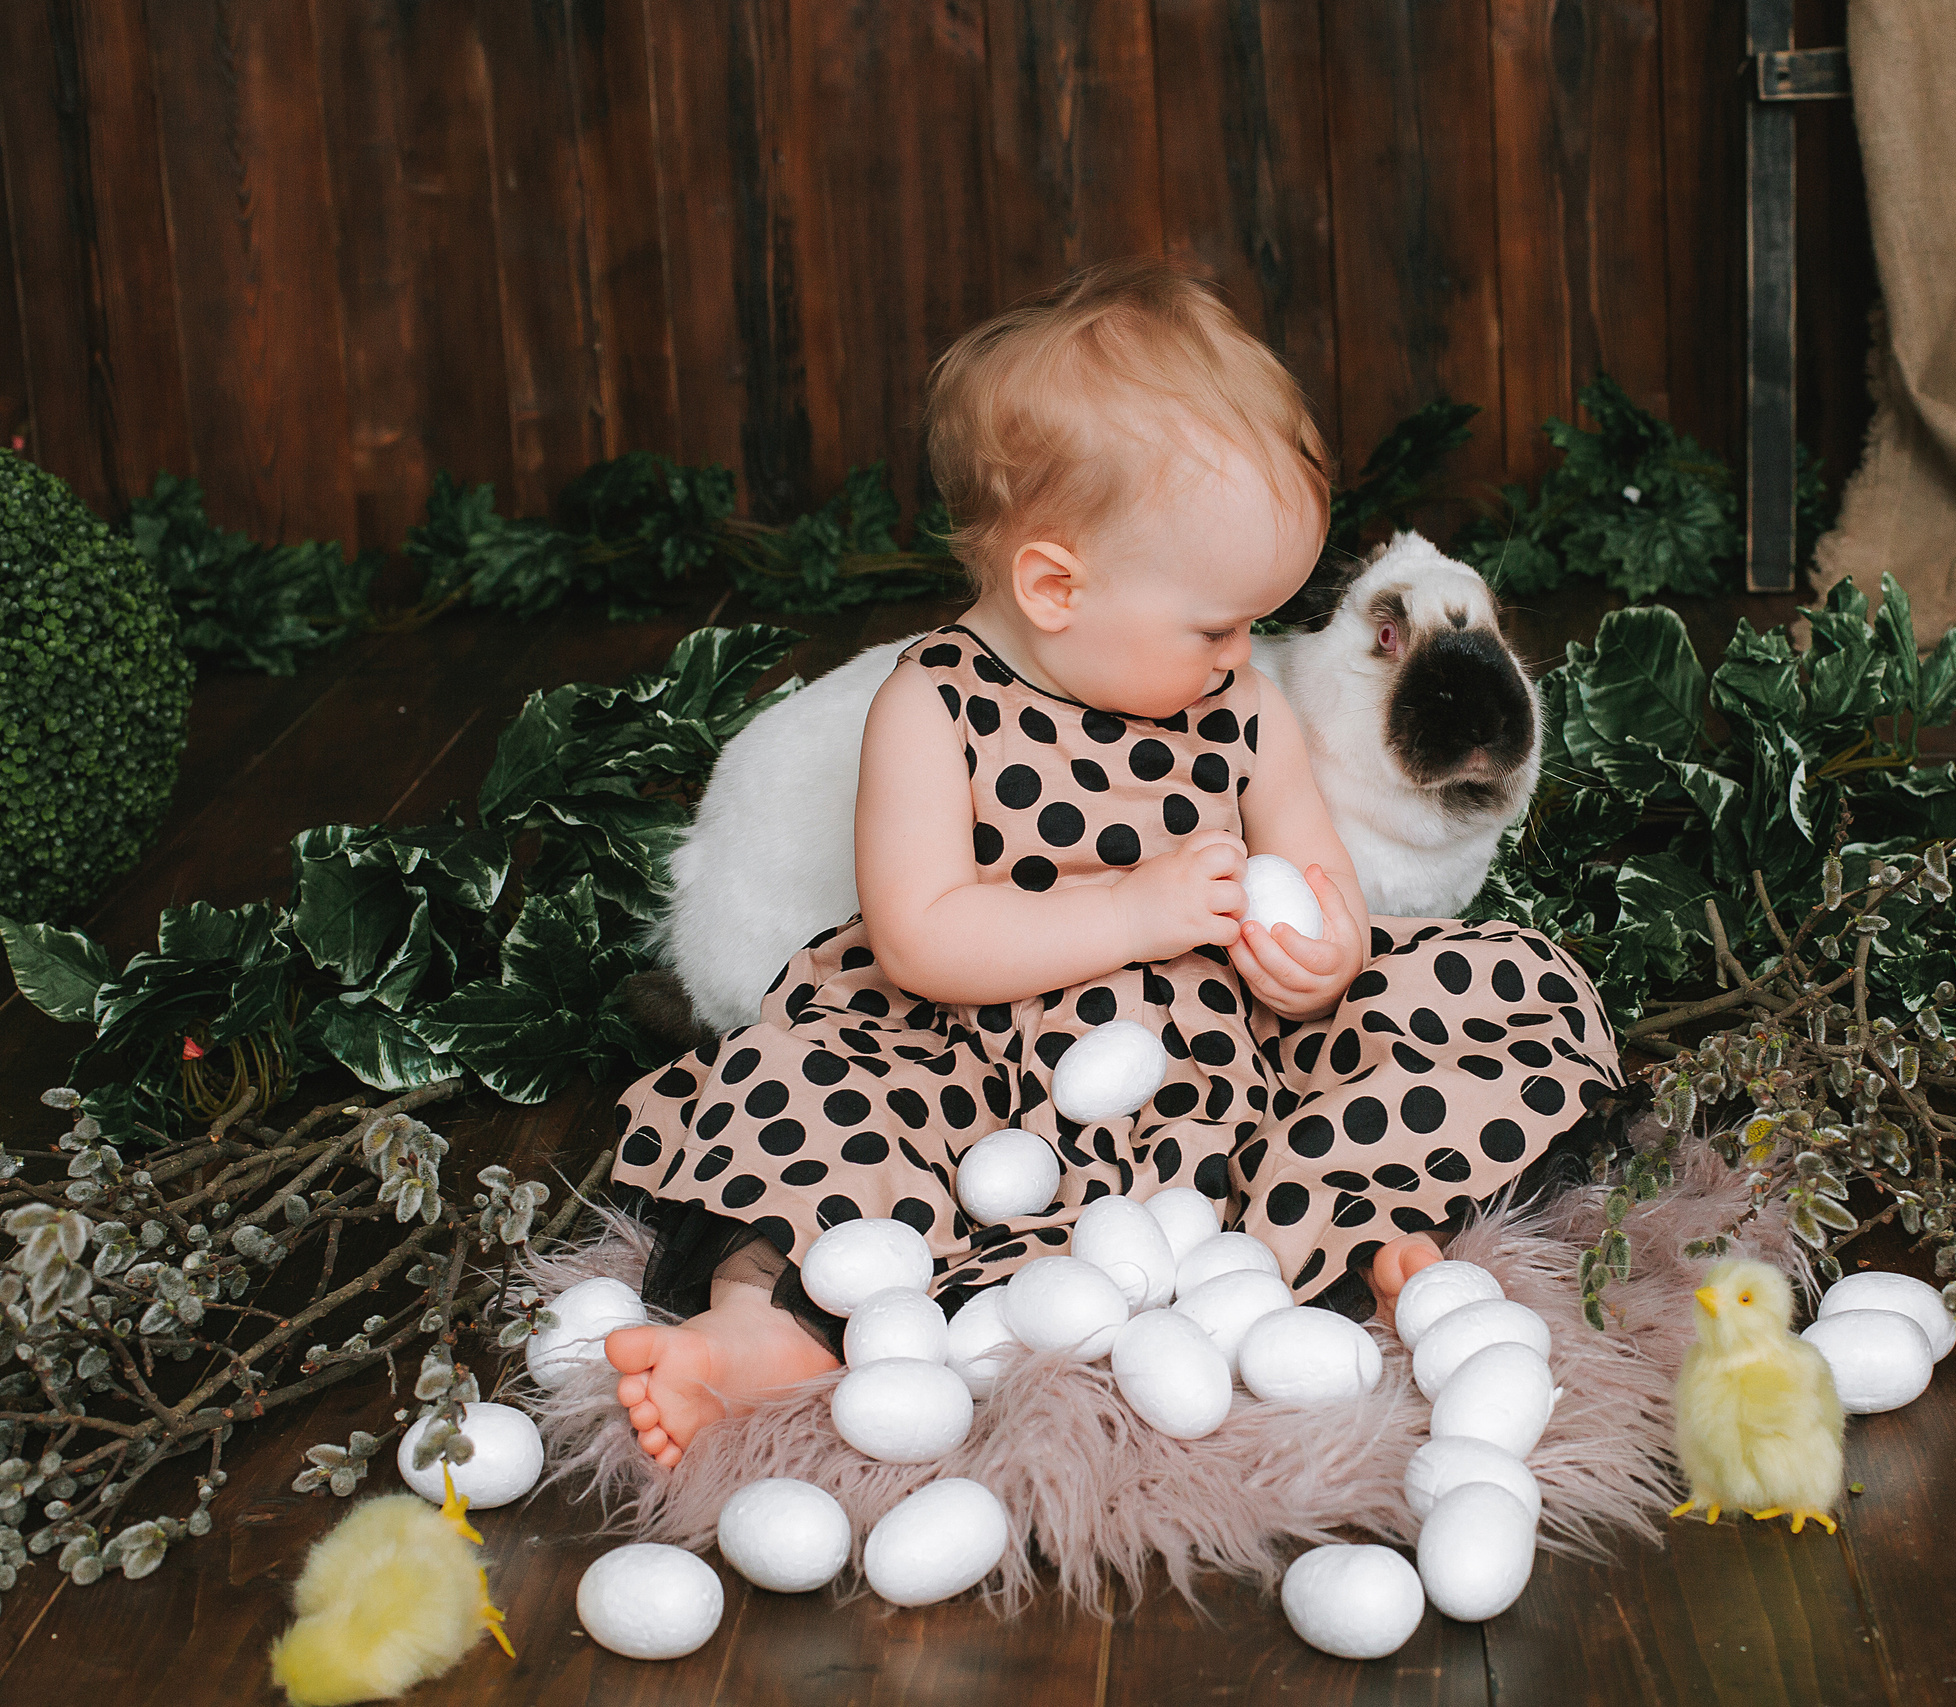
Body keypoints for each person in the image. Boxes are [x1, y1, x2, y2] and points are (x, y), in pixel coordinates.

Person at [603, 259, 1622, 1466]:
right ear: (1055, 587)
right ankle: (760, 1326)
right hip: (969, 1071)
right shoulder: (930, 708)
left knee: (1496, 990)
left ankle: (1366, 1236)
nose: (1248, 650)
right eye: (1218, 624)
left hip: (1228, 1054)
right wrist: (1136, 909)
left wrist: (1326, 948)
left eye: (1256, 619)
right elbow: (921, 937)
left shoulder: (1237, 698)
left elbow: (1311, 861)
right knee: (800, 1098)